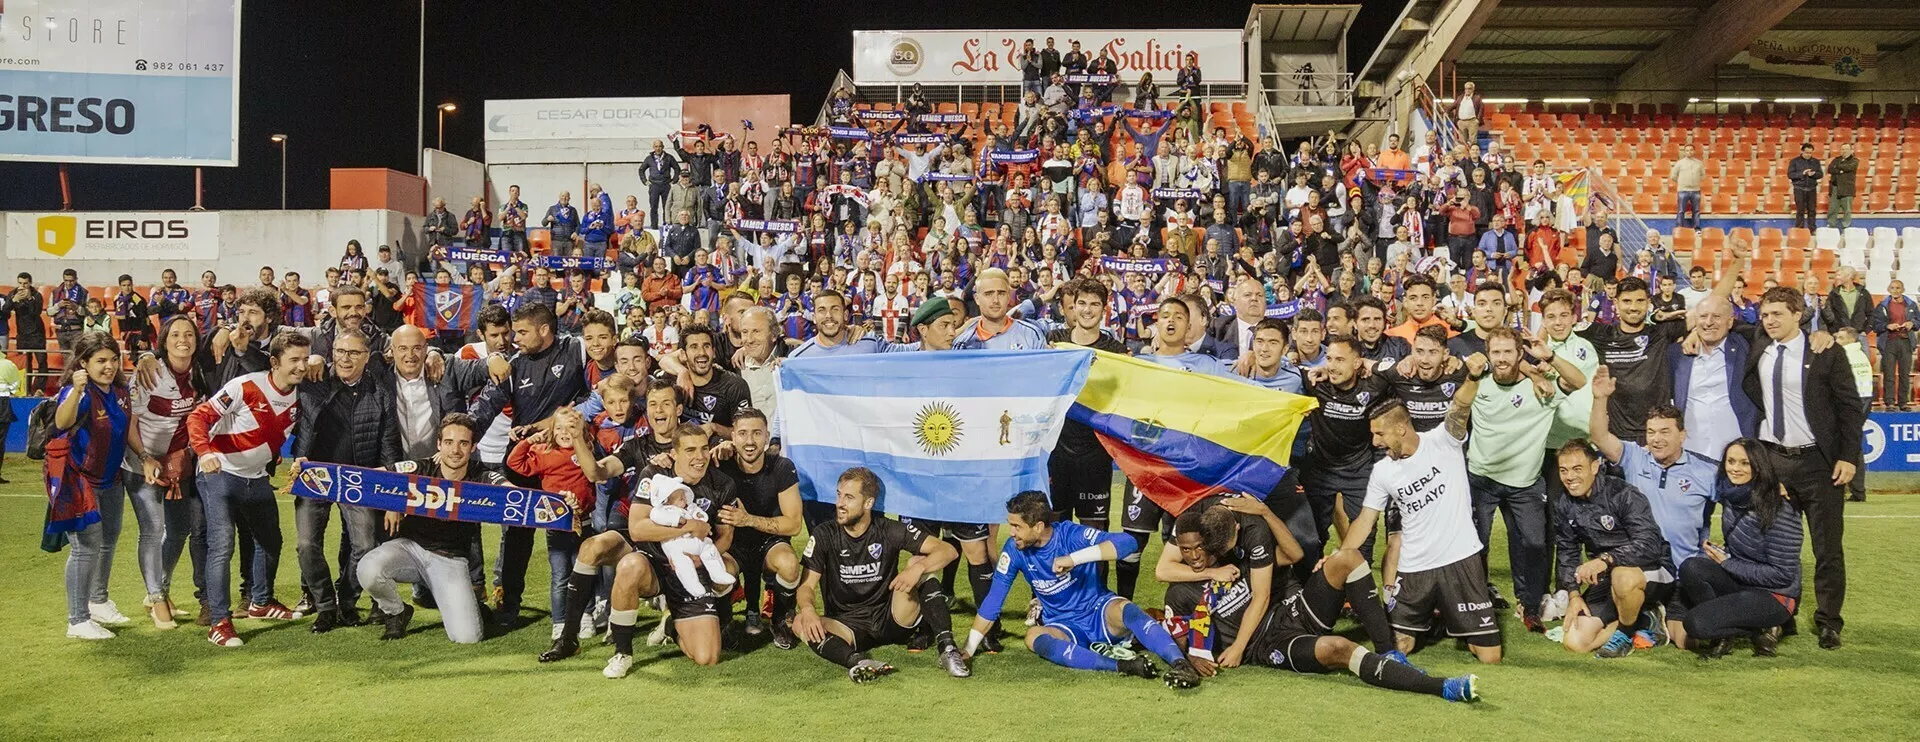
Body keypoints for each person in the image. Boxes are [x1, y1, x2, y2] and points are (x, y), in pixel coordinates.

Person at [1159, 498, 1480, 701]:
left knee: (1347, 558)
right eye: (1187, 550)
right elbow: (1178, 637)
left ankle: (1389, 652)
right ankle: (1441, 687)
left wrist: (1265, 513)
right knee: (1337, 646)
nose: (1196, 555)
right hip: (1268, 643)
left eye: (1200, 548)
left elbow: (1289, 559)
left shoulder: (1237, 554)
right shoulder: (1181, 592)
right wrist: (1197, 657)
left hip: (1290, 609)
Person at [1345, 362, 1504, 664]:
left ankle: (1446, 617)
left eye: (1379, 434)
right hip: (1415, 567)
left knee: (1489, 656)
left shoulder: (1443, 441)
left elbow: (1460, 405)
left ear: (1401, 428)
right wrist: (1341, 556)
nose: (1375, 442)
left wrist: (1473, 376)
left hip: (1461, 560)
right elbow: (1365, 519)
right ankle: (1433, 618)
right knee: (1397, 647)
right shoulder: (1383, 471)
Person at [965, 492, 1204, 689]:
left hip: (1099, 612)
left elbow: (1128, 543)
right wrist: (968, 649)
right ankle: (1121, 666)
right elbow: (994, 600)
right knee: (1033, 637)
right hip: (1063, 626)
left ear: (1038, 527)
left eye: (1016, 526)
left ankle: (1181, 664)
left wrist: (1075, 558)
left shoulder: (1071, 535)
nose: (1011, 532)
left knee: (1125, 608)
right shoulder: (1014, 549)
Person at [1746, 286, 1865, 649]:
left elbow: (1849, 408)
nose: (1769, 321)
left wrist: (1848, 457)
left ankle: (1829, 622)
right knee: (1775, 548)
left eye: (1777, 314)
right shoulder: (1759, 345)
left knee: (1827, 548)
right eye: (1765, 315)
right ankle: (1777, 618)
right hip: (1774, 461)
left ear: (1798, 315)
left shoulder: (1824, 350)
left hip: (1818, 463)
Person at [187, 330, 311, 647]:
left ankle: (261, 602)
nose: (301, 366)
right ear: (275, 362)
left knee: (270, 540)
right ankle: (219, 622)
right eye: (294, 360)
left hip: (255, 477)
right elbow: (198, 417)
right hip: (220, 473)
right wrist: (204, 452)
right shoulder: (244, 386)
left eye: (305, 359)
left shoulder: (302, 395)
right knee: (222, 544)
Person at [791, 467, 971, 682]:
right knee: (800, 622)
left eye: (849, 497)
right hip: (847, 626)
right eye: (839, 495)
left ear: (868, 503)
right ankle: (858, 662)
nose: (840, 503)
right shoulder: (824, 534)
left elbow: (948, 551)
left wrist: (918, 568)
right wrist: (808, 609)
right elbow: (806, 586)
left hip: (891, 619)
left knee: (918, 562)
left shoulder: (888, 529)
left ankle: (948, 649)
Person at [601, 426, 740, 677]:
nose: (700, 457)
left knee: (708, 657)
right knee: (629, 566)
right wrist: (689, 526)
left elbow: (726, 536)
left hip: (692, 568)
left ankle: (673, 627)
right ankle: (622, 653)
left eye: (704, 449)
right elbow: (637, 529)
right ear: (674, 454)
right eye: (690, 450)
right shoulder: (654, 475)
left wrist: (699, 558)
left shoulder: (722, 483)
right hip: (655, 565)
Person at [1588, 368, 1712, 646]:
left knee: (1688, 642)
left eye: (1665, 432)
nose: (1656, 439)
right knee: (1624, 582)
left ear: (1683, 435)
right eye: (1651, 432)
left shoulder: (1705, 472)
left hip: (1684, 571)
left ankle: (1653, 619)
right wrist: (1600, 398)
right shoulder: (1635, 458)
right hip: (1644, 567)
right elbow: (1599, 436)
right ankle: (1643, 617)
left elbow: (1737, 497)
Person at [288, 330, 402, 632]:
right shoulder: (314, 381)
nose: (345, 359)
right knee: (306, 545)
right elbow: (278, 363)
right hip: (315, 477)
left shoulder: (380, 393)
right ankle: (325, 606)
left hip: (357, 479)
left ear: (366, 357)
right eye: (340, 351)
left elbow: (389, 445)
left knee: (364, 546)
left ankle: (347, 602)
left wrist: (391, 491)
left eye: (353, 353)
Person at [356, 413, 499, 643]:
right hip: (409, 549)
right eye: (449, 442)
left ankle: (467, 603)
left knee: (467, 637)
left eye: (463, 443)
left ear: (473, 447)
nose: (455, 450)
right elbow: (371, 477)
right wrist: (307, 469)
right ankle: (396, 611)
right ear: (439, 444)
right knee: (368, 569)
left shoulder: (481, 475)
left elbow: (515, 494)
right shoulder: (421, 468)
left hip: (450, 559)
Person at [1464, 328, 1564, 630]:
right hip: (1481, 480)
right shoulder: (1477, 381)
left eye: (1508, 351)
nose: (1501, 357)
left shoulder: (1541, 388)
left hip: (1525, 483)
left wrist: (1544, 366)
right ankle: (1476, 601)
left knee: (1534, 543)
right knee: (1474, 545)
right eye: (1496, 352)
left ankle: (1529, 604)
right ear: (1488, 353)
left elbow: (1576, 382)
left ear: (1520, 354)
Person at [1679, 439, 1802, 658]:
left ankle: (1764, 625)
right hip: (1743, 582)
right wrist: (1725, 554)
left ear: (1758, 466)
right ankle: (1727, 632)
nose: (1735, 468)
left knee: (1695, 623)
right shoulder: (1731, 495)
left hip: (1775, 595)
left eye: (1745, 463)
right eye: (1731, 461)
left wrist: (1727, 563)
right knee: (1691, 567)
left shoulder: (1780, 508)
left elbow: (1782, 575)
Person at [1551, 440, 1674, 657]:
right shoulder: (1563, 503)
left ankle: (1625, 634)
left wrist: (1607, 559)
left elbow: (1650, 544)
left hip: (1651, 570)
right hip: (1606, 576)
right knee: (1575, 641)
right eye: (1564, 470)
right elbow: (1567, 551)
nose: (1569, 477)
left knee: (1622, 576)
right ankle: (1645, 620)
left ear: (1594, 467)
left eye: (1577, 469)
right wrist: (1574, 595)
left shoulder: (1623, 494)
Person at [47, 332, 133, 639]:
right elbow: (62, 423)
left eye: (113, 359)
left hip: (111, 480)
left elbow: (127, 429)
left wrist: (145, 456)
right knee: (85, 548)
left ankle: (98, 601)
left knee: (108, 541)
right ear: (84, 363)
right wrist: (76, 390)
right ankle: (77, 619)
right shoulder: (79, 392)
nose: (109, 366)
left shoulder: (120, 390)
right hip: (80, 481)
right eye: (101, 361)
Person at [711, 409, 804, 647]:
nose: (750, 441)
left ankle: (780, 620)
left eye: (756, 433)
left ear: (767, 436)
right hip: (732, 544)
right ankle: (725, 622)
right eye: (743, 433)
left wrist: (749, 520)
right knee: (717, 572)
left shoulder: (781, 467)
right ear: (732, 436)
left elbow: (794, 524)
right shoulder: (719, 463)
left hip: (769, 543)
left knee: (789, 564)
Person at [641, 474, 734, 598]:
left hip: (697, 542)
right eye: (681, 498)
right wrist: (676, 520)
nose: (685, 500)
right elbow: (656, 516)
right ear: (667, 500)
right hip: (678, 545)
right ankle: (692, 585)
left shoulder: (688, 508)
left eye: (685, 497)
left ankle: (718, 573)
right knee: (683, 564)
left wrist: (700, 516)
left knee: (710, 549)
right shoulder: (663, 510)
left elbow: (699, 514)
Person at [953, 269, 1049, 350]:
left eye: (1001, 293)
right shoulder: (963, 343)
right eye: (988, 294)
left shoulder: (1031, 335)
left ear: (1008, 297)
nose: (996, 300)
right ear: (977, 299)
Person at [1870, 280, 1916, 411]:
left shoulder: (1911, 305)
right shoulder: (1882, 306)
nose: (1895, 290)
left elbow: (1918, 321)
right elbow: (1875, 326)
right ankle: (1889, 402)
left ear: (1903, 289)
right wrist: (1887, 326)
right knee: (1889, 374)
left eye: (1898, 288)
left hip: (1906, 342)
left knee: (1904, 374)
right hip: (1889, 342)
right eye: (1892, 288)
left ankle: (1903, 402)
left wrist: (1912, 324)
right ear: (1889, 290)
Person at [1786, 143, 1823, 230]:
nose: (1808, 155)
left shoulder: (1816, 161)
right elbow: (1790, 175)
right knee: (1800, 210)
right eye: (1806, 152)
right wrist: (1802, 173)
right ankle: (1799, 228)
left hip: (1812, 189)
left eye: (1810, 153)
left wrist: (1814, 174)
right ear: (1802, 151)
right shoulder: (1794, 161)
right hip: (1799, 189)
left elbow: (1820, 174)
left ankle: (1812, 229)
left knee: (1812, 210)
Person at [1670, 143, 1705, 229]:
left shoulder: (1699, 163)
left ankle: (1696, 228)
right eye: (1687, 150)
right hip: (1683, 190)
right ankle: (1679, 228)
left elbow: (1702, 175)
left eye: (1691, 150)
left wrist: (1695, 182)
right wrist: (1682, 182)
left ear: (1694, 151)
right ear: (1684, 152)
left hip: (1696, 190)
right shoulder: (1680, 163)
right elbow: (1673, 176)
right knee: (1681, 210)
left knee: (1696, 211)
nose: (1689, 152)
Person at [1826, 141, 1857, 230]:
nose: (1844, 151)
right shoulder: (1836, 160)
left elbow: (1849, 167)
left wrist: (1837, 167)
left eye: (1846, 149)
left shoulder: (1854, 161)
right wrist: (1841, 170)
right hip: (1835, 188)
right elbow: (1830, 169)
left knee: (1847, 210)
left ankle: (1846, 226)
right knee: (1832, 208)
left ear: (1851, 150)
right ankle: (1831, 225)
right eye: (1842, 149)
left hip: (1847, 189)